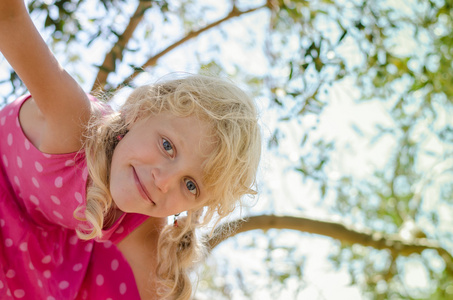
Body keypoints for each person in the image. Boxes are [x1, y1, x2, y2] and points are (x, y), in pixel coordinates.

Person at [0, 1, 261, 299]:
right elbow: (8, 18)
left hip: (34, 259)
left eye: (190, 185)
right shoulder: (72, 120)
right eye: (167, 146)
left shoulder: (142, 225)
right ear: (141, 112)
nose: (163, 182)